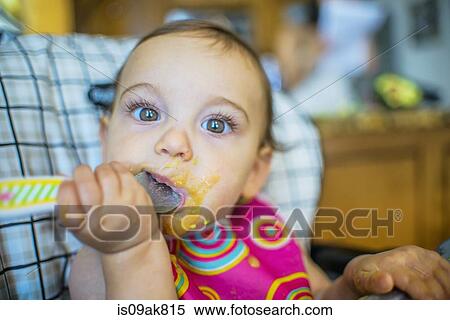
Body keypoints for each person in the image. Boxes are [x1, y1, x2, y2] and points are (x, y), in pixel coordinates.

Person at [57, 21, 449, 300]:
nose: (174, 142)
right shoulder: (102, 254)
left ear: (255, 172)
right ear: (105, 138)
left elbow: (318, 302)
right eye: (146, 113)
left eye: (215, 123)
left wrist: (353, 283)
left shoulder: (267, 231)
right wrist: (130, 250)